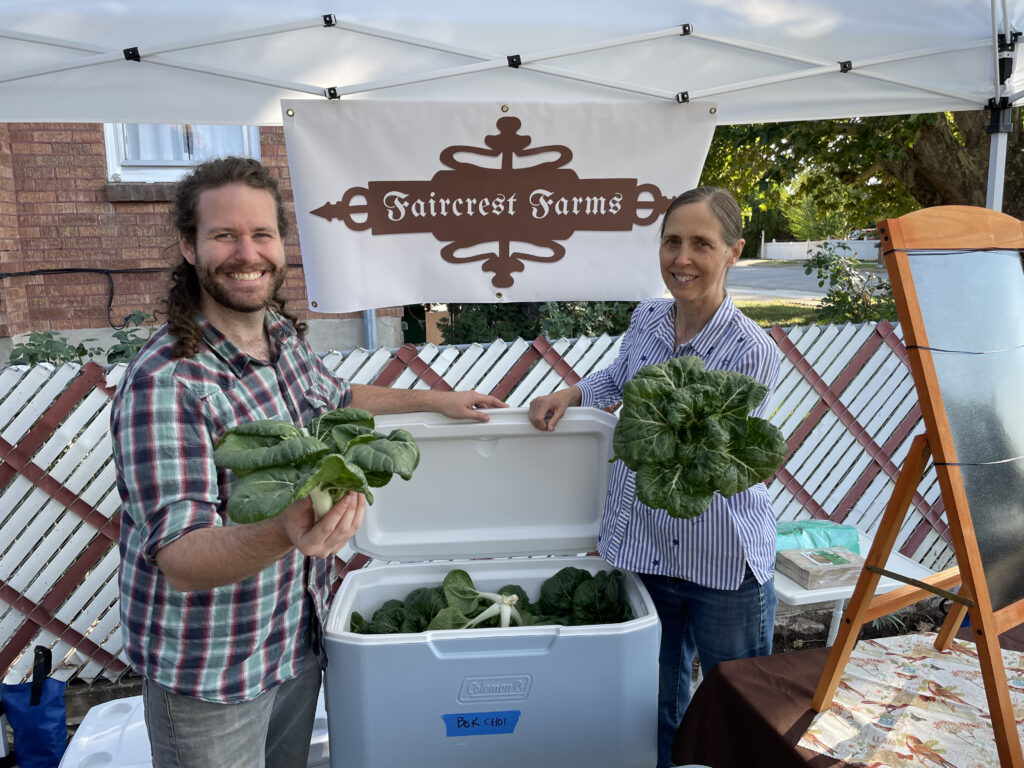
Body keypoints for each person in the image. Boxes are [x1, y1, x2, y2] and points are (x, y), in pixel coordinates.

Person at [111, 156, 506, 768]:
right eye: (224, 235)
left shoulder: (278, 334)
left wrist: (435, 399)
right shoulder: (166, 381)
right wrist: (284, 532)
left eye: (261, 234)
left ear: (280, 243)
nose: (248, 252)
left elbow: (335, 399)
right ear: (189, 246)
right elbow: (181, 558)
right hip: (211, 673)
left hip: (296, 643)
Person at [527, 186, 780, 768]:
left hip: (721, 559)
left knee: (737, 704)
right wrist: (571, 393)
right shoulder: (647, 317)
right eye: (672, 242)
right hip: (645, 551)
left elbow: (730, 457)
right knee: (654, 703)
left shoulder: (751, 351)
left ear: (733, 252)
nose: (681, 258)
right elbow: (619, 379)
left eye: (700, 243)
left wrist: (671, 436)